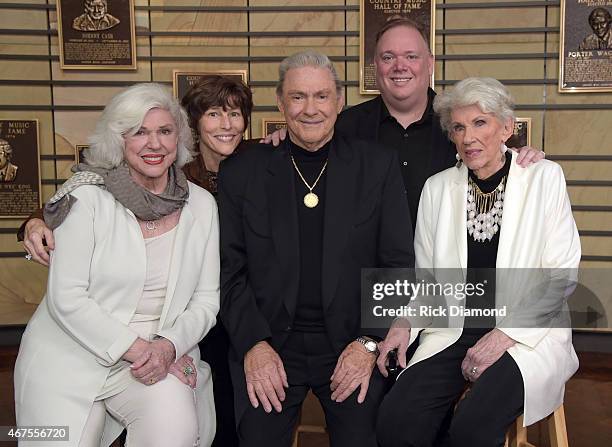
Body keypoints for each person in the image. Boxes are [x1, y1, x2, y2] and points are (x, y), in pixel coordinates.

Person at [219, 50, 414, 447]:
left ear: (339, 101)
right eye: (298, 97)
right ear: (280, 102)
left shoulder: (376, 166)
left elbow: (396, 264)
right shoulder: (244, 170)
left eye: (321, 96)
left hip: (350, 341)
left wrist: (368, 342)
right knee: (255, 438)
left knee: (364, 438)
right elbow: (228, 269)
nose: (310, 109)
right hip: (270, 342)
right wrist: (254, 345)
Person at [375, 77, 580, 447]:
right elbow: (428, 283)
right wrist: (405, 321)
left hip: (526, 335)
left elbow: (561, 278)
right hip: (452, 331)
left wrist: (503, 336)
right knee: (396, 421)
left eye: (480, 123)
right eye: (458, 127)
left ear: (506, 127)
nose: (468, 137)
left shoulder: (543, 179)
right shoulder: (437, 189)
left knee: (471, 427)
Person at [14, 83, 220, 447]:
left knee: (175, 431)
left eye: (164, 131)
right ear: (118, 140)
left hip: (155, 358)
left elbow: (206, 301)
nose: (154, 144)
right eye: (139, 132)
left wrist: (168, 347)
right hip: (70, 353)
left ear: (180, 138)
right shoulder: (86, 198)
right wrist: (142, 349)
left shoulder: (202, 205)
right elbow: (68, 298)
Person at [264, 18, 544, 229]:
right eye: (388, 57)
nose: (400, 66)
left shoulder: (462, 126)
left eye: (411, 56)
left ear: (430, 63)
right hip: (366, 281)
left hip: (445, 277)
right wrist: (288, 138)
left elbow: (506, 163)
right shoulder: (343, 126)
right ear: (376, 65)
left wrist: (527, 156)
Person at [181, 75, 253, 447]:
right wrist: (38, 218)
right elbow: (96, 178)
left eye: (235, 114)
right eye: (213, 114)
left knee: (235, 408)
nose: (227, 125)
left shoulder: (260, 161)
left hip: (242, 304)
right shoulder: (174, 171)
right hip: (191, 306)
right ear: (195, 122)